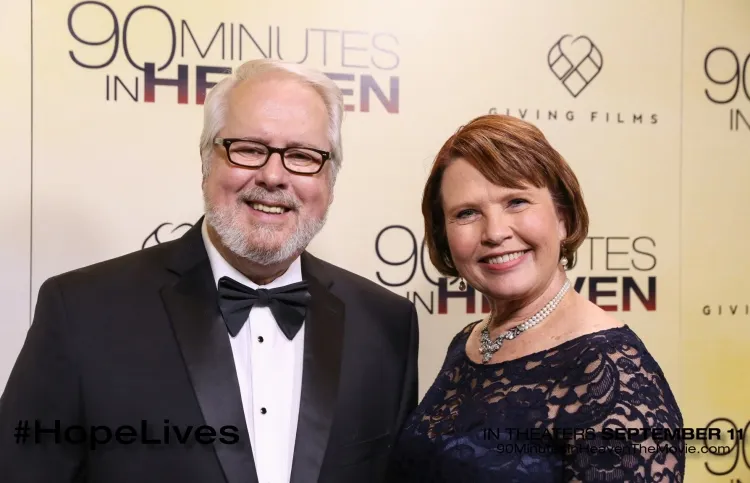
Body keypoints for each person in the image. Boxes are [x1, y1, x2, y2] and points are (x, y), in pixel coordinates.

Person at [0, 59, 419, 483]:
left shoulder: (387, 325)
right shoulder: (82, 312)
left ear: (329, 180)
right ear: (206, 162)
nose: (273, 176)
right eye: (249, 149)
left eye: (302, 156)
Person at [387, 114, 684, 482]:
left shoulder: (610, 372)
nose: (494, 233)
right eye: (467, 213)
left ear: (562, 217)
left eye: (516, 202)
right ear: (444, 235)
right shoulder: (469, 342)